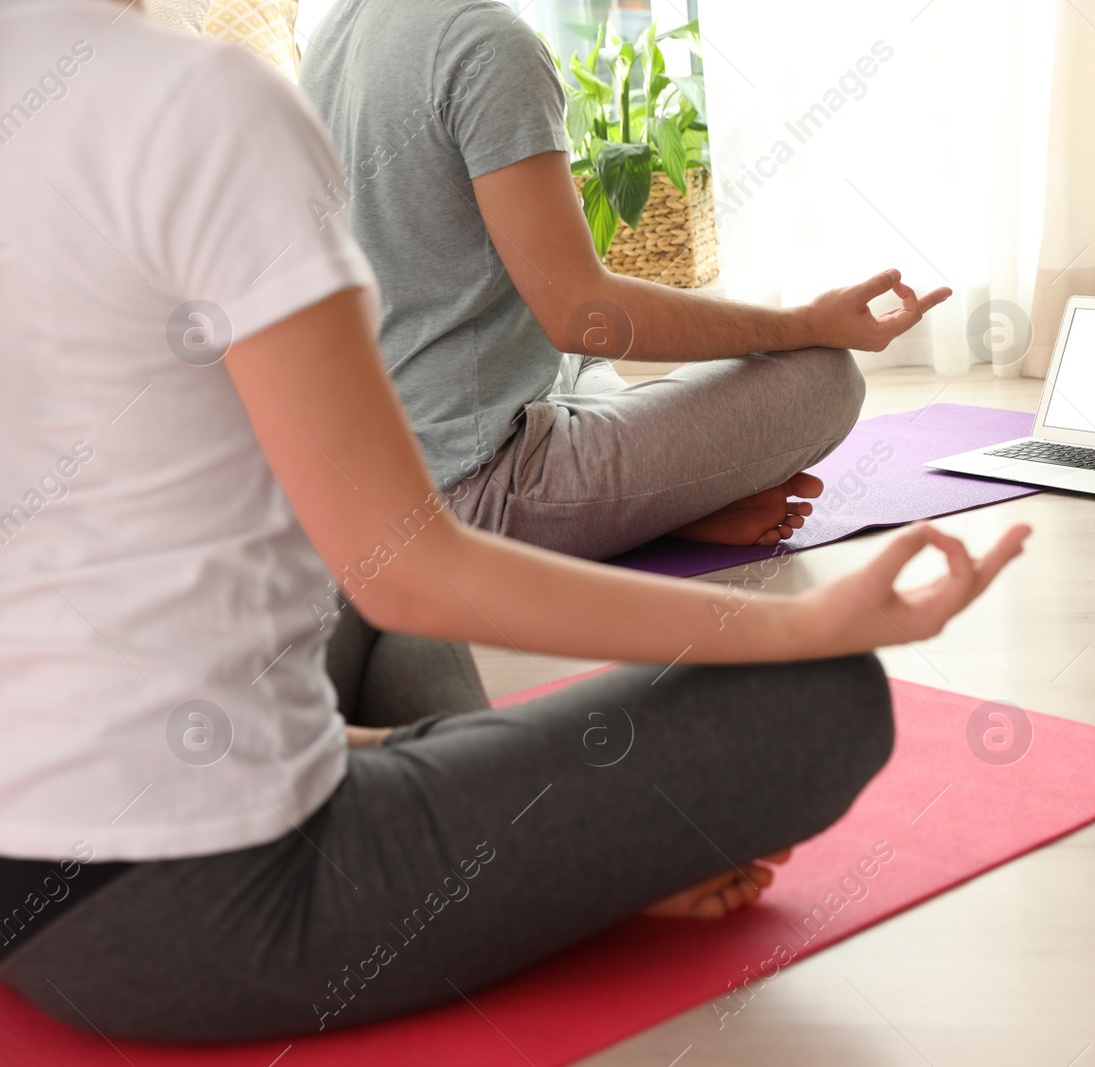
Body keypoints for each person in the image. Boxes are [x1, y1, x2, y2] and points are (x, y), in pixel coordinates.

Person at [0, 0, 1027, 1042]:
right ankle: (545, 857)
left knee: (359, 606)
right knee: (818, 699)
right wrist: (802, 625)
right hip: (184, 909)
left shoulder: (317, 45)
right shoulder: (205, 100)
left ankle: (458, 778)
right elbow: (413, 564)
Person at [299, 0, 954, 561]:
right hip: (472, 493)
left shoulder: (337, 30)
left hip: (369, 480)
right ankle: (656, 511)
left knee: (565, 352)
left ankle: (653, 504)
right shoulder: (485, 43)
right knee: (823, 377)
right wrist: (803, 324)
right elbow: (586, 312)